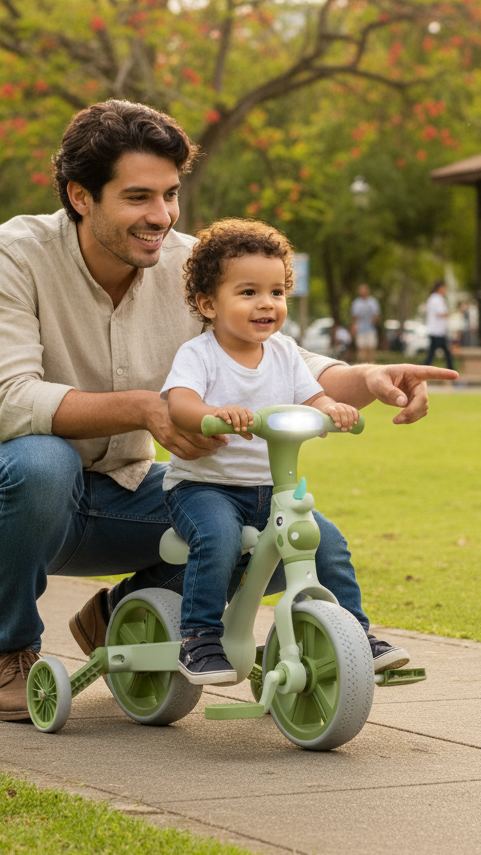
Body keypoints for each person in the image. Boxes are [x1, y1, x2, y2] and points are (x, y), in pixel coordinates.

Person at [0, 99, 456, 723]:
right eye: (139, 197)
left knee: (266, 533)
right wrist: (147, 408)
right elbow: (10, 403)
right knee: (40, 460)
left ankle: (126, 613)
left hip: (121, 490)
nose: (162, 216)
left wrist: (369, 377)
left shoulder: (190, 265)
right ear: (81, 196)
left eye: (171, 195)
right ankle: (9, 649)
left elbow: (283, 360)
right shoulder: (9, 255)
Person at [160, 218, 408, 684]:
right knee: (218, 539)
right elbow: (180, 403)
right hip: (203, 488)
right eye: (249, 292)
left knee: (327, 542)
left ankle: (356, 633)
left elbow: (311, 396)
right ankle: (199, 637)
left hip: (271, 490)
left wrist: (333, 408)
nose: (266, 304)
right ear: (208, 303)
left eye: (276, 292)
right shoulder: (199, 355)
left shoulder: (285, 352)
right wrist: (214, 412)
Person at [424, 281, 454, 370]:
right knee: (446, 353)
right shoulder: (437, 299)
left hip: (436, 331)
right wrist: (451, 314)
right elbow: (440, 313)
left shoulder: (433, 298)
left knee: (432, 354)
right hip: (437, 332)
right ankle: (451, 371)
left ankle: (423, 369)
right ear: (440, 288)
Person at [350, 284, 381, 363]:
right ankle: (361, 364)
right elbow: (354, 316)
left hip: (370, 328)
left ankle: (371, 363)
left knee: (371, 347)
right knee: (361, 347)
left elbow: (376, 315)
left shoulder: (373, 302)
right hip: (360, 329)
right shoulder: (356, 303)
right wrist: (353, 326)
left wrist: (374, 319)